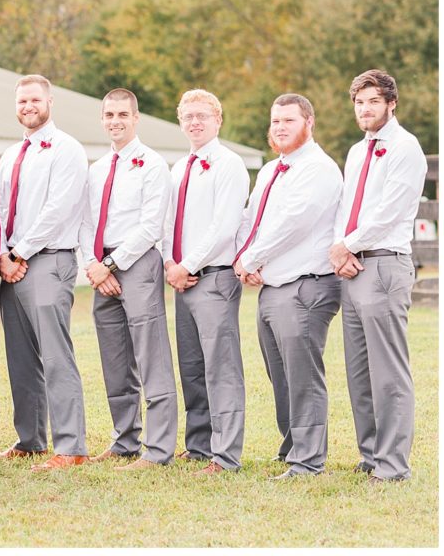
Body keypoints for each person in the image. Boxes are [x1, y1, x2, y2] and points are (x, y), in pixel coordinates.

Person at [233, 93, 343, 480]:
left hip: (306, 286)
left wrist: (252, 258)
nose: (279, 127)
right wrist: (244, 257)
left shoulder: (319, 168)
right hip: (271, 287)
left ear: (309, 122)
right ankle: (293, 445)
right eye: (275, 120)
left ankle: (309, 460)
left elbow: (294, 222)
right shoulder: (269, 171)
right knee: (279, 374)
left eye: (289, 121)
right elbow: (251, 218)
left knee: (302, 375)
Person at [329, 69, 426, 483]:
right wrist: (341, 248)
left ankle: (393, 466)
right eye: (359, 102)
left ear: (391, 104)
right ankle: (370, 455)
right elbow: (345, 206)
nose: (364, 109)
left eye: (372, 101)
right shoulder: (356, 151)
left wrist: (348, 244)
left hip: (384, 264)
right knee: (359, 369)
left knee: (388, 371)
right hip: (352, 265)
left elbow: (389, 211)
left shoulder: (406, 148)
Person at [0, 74, 89, 472]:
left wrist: (18, 251)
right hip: (10, 264)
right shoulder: (9, 155)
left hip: (48, 259)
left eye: (34, 99)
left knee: (55, 354)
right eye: (21, 102)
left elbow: (60, 209)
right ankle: (30, 438)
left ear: (50, 101)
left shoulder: (67, 149)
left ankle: (71, 447)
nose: (28, 107)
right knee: (19, 356)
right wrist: (0, 254)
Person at [79, 88, 178, 471]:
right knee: (114, 359)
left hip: (135, 263)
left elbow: (151, 225)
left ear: (136, 118)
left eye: (122, 114)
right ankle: (125, 441)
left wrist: (113, 264)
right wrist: (93, 263)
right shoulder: (97, 168)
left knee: (151, 356)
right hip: (102, 267)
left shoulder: (152, 164)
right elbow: (85, 221)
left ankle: (158, 450)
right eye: (109, 115)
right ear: (102, 119)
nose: (115, 121)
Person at [161, 89, 249, 476]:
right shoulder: (179, 168)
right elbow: (168, 223)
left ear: (218, 119)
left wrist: (188, 264)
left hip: (213, 277)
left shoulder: (229, 164)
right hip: (182, 278)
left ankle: (225, 454)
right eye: (187, 117)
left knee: (220, 368)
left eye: (202, 116)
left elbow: (224, 226)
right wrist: (169, 262)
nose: (194, 122)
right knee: (192, 367)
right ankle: (199, 445)